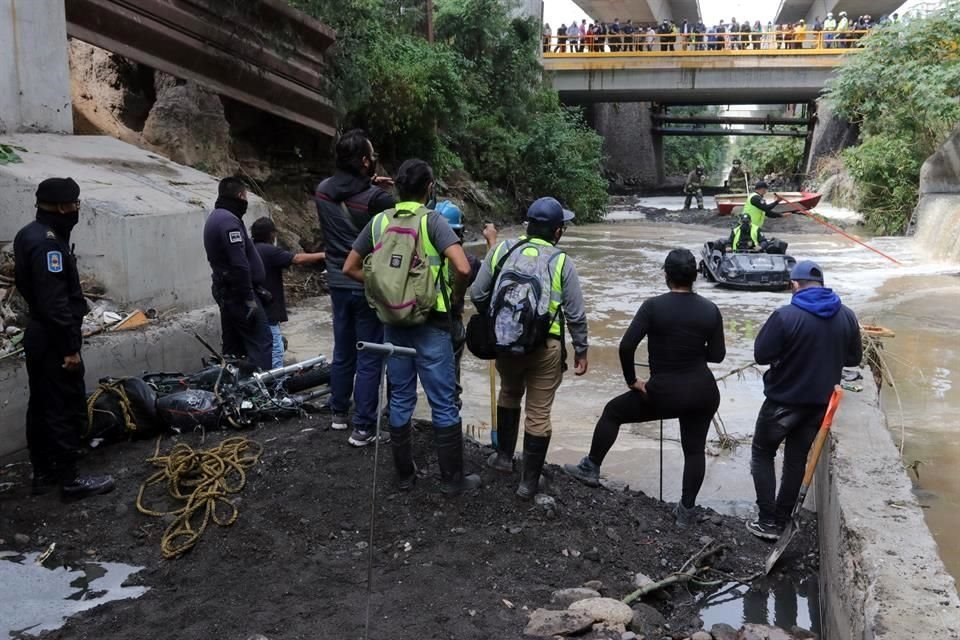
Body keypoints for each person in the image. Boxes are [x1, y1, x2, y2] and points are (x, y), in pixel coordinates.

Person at [342, 159, 478, 495]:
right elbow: (462, 267)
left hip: (393, 322)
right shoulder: (432, 221)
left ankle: (405, 476)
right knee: (443, 401)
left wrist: (384, 293)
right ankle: (451, 481)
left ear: (397, 187)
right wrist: (457, 298)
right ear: (429, 188)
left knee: (400, 397)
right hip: (432, 322)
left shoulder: (378, 222)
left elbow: (350, 267)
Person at [564, 249, 725, 527]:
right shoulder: (710, 309)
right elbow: (718, 355)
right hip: (703, 392)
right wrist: (693, 352)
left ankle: (591, 467)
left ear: (666, 275)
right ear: (695, 276)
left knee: (613, 412)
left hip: (663, 392)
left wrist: (632, 380)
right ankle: (686, 512)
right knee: (695, 450)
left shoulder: (653, 306)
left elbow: (626, 346)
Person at [471, 197, 589, 499]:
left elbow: (478, 292)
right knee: (538, 413)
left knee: (509, 392)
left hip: (505, 342)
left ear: (529, 225)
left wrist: (498, 321)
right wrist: (581, 350)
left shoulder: (503, 249)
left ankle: (502, 459)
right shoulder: (561, 261)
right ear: (558, 231)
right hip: (545, 347)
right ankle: (528, 483)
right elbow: (575, 314)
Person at [14, 178, 115, 499]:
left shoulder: (29, 233)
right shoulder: (48, 245)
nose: (77, 209)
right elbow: (54, 301)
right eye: (75, 203)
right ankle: (70, 479)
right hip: (53, 336)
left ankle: (44, 471)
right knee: (62, 405)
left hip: (40, 334)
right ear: (61, 206)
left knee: (42, 405)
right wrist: (70, 347)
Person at [746, 261, 861, 539]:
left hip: (782, 403)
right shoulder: (846, 315)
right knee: (796, 459)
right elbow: (854, 358)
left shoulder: (786, 316)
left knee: (763, 453)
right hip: (819, 406)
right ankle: (782, 520)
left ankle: (766, 521)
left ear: (795, 285)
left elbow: (761, 355)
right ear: (821, 284)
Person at [315, 129, 397, 445]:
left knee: (343, 349)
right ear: (365, 162)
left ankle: (338, 413)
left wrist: (367, 182)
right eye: (371, 155)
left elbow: (344, 191)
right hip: (366, 283)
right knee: (370, 355)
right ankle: (363, 427)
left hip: (336, 282)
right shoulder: (379, 200)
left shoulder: (322, 191)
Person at [204, 177, 272, 371]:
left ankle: (234, 392)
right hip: (239, 295)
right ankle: (263, 394)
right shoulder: (228, 221)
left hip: (228, 291)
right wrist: (249, 298)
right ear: (241, 195)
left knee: (233, 348)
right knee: (262, 342)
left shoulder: (217, 217)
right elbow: (240, 264)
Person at [434, 201, 497, 408]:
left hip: (414, 317)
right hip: (449, 321)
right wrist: (492, 243)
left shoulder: (419, 253)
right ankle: (449, 416)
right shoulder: (466, 261)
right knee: (450, 378)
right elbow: (490, 281)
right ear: (459, 233)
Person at [250, 217, 326, 369]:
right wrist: (323, 255)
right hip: (267, 310)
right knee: (276, 348)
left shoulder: (250, 248)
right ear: (271, 234)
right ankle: (276, 384)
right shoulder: (269, 251)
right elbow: (297, 258)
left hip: (252, 307)